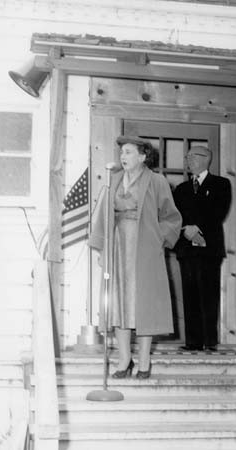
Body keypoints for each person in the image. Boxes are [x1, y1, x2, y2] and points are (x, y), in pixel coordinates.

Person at [88, 136, 182, 378]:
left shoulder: (157, 181)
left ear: (142, 156)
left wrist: (157, 239)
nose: (123, 156)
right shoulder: (114, 180)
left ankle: (143, 362)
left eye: (128, 152)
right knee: (119, 303)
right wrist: (101, 250)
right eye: (122, 152)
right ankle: (123, 360)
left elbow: (172, 218)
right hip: (118, 247)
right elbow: (102, 216)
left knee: (143, 306)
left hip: (145, 251)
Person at [173, 145, 232, 352]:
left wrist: (197, 227)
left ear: (205, 159)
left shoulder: (221, 184)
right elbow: (174, 215)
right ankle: (193, 342)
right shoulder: (181, 189)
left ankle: (210, 341)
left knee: (208, 294)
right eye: (186, 157)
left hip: (209, 248)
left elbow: (218, 211)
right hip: (186, 248)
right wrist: (185, 229)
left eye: (191, 157)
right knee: (189, 295)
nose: (187, 160)